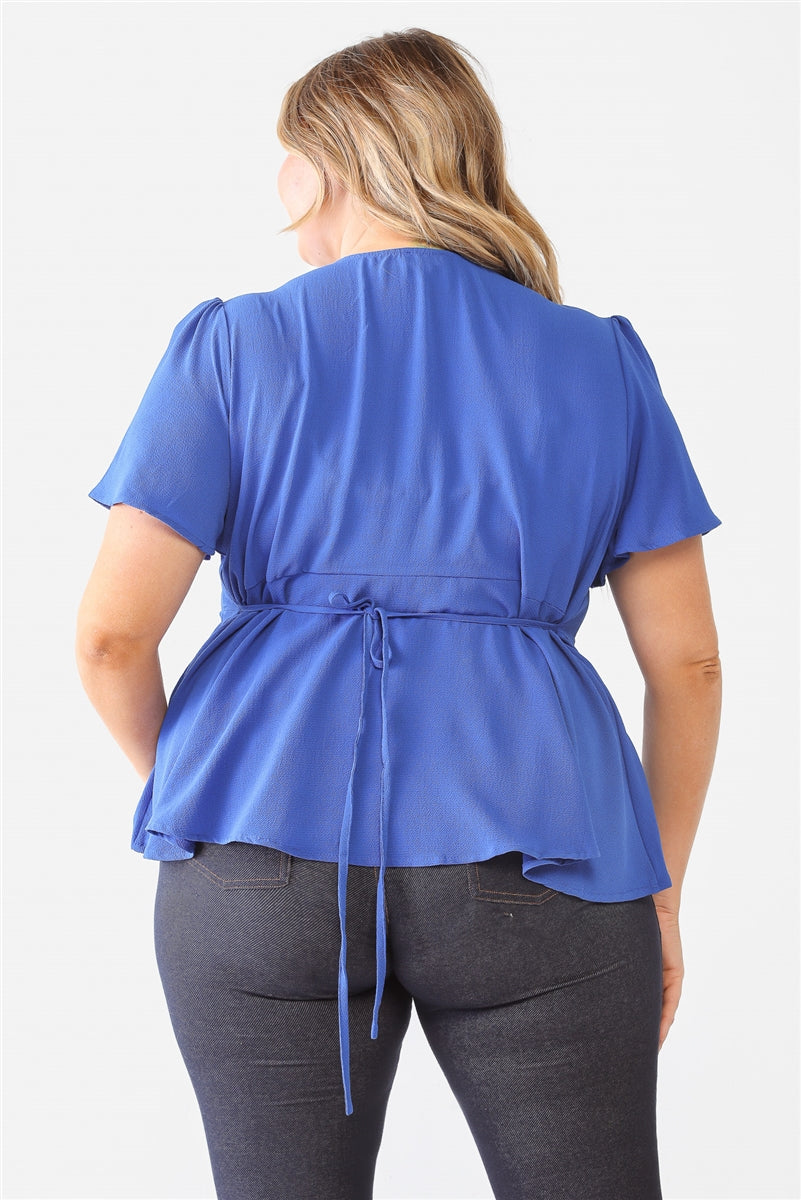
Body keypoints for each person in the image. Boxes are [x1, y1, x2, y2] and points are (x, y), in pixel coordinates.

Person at [75, 26, 723, 1200]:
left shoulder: (235, 345)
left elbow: (112, 637)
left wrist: (208, 791)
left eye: (288, 151)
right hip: (547, 846)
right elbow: (689, 668)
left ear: (332, 161)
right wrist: (661, 888)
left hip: (259, 853)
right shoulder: (600, 362)